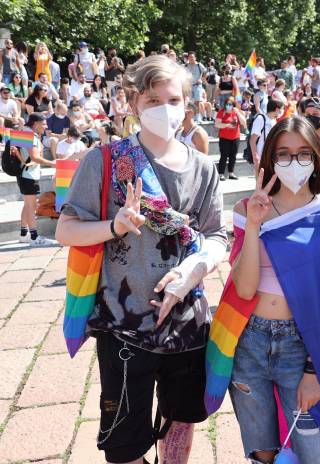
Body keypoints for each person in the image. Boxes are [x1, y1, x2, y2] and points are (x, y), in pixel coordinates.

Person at [55, 54, 227, 464]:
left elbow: (218, 236)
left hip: (187, 322)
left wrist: (192, 270)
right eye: (152, 101)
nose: (163, 109)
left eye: (172, 99)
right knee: (124, 442)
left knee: (180, 421)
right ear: (133, 105)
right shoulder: (107, 161)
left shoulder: (204, 168)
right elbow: (65, 230)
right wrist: (112, 226)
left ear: (188, 104)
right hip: (123, 327)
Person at [219, 115, 320, 464]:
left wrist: (313, 370)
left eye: (303, 153)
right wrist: (253, 225)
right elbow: (245, 290)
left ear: (317, 158)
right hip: (250, 342)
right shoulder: (248, 209)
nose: (294, 162)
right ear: (270, 158)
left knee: (311, 450)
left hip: (301, 344)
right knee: (261, 450)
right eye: (284, 153)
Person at [15, 113, 57, 245]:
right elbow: (35, 158)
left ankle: (24, 234)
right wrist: (52, 163)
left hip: (24, 174)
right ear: (36, 124)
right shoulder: (30, 136)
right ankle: (34, 237)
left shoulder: (25, 133)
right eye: (44, 124)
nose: (46, 126)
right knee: (31, 206)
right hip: (28, 175)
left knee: (27, 204)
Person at [214, 96, 246, 176]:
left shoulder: (236, 112)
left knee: (233, 155)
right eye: (227, 104)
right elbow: (217, 124)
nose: (229, 106)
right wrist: (227, 125)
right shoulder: (221, 112)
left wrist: (238, 112)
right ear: (225, 105)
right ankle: (221, 173)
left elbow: (243, 123)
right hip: (224, 137)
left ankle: (231, 172)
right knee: (224, 155)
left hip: (235, 137)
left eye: (231, 104)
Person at [249, 99, 283, 168]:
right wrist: (255, 156)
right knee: (261, 177)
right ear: (277, 109)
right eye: (282, 109)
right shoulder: (261, 119)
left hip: (271, 156)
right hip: (261, 157)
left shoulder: (273, 121)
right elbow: (252, 140)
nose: (282, 111)